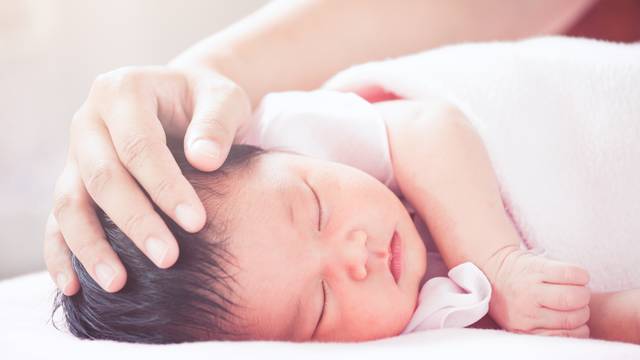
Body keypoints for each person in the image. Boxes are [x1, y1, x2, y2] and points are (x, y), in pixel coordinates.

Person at [44, 0, 615, 337]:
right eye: (318, 306)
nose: (354, 256)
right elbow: (583, 314)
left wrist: (500, 262)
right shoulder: (415, 321)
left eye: (315, 208)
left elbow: (428, 129)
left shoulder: (304, 135)